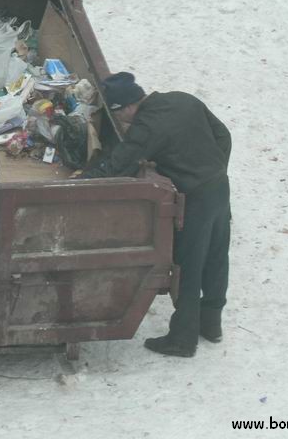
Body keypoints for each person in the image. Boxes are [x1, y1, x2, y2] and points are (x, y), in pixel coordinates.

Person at [82, 72, 231, 358]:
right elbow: (223, 136)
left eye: (121, 117)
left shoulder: (147, 125)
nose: (125, 123)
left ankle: (183, 339)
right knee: (216, 255)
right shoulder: (183, 99)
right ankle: (211, 324)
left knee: (189, 263)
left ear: (124, 107)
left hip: (197, 197)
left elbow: (118, 165)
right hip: (220, 186)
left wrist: (78, 183)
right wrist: (212, 168)